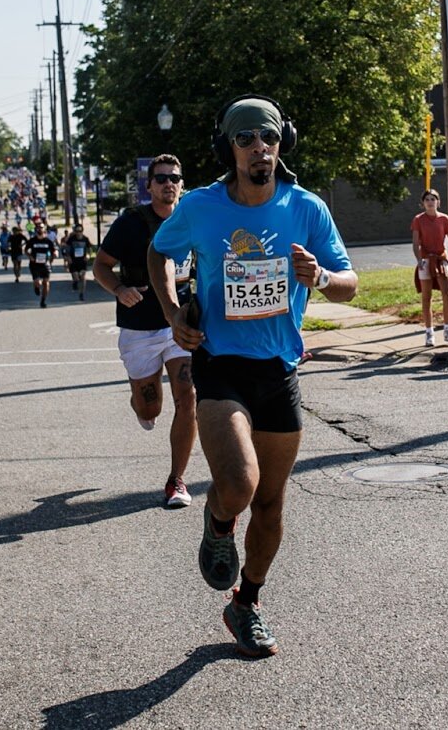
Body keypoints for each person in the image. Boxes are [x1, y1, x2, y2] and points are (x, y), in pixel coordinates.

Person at [149, 95, 356, 660]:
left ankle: (247, 604)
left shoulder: (306, 208)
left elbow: (350, 281)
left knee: (270, 504)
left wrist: (321, 278)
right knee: (238, 485)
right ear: (229, 149)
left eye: (267, 138)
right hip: (219, 364)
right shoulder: (200, 207)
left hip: (279, 368)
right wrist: (172, 314)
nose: (259, 148)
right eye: (246, 140)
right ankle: (218, 524)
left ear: (280, 143)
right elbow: (159, 252)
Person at [94, 155, 198, 511]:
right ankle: (140, 400)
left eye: (175, 177)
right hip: (139, 325)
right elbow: (101, 266)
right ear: (149, 186)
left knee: (189, 396)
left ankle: (176, 481)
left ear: (181, 185)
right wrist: (120, 289)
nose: (169, 183)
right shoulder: (131, 223)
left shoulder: (194, 218)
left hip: (181, 323)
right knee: (150, 407)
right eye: (162, 178)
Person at [410, 188, 448, 347]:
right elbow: (416, 243)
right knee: (426, 296)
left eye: (433, 199)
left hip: (441, 259)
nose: (430, 202)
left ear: (438, 202)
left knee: (447, 294)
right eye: (427, 199)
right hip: (425, 260)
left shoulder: (445, 219)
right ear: (423, 203)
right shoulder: (418, 219)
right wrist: (419, 260)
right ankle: (429, 332)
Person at [26, 222, 57, 308]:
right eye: (38, 227)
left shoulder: (48, 241)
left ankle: (43, 301)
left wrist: (55, 254)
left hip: (45, 264)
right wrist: (30, 256)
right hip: (34, 265)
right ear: (36, 229)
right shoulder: (32, 240)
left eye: (41, 227)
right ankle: (36, 287)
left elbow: (54, 250)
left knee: (46, 283)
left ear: (44, 229)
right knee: (38, 282)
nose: (40, 229)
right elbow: (25, 250)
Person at [65, 226, 91, 298]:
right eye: (77, 231)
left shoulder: (85, 239)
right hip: (73, 261)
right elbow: (67, 249)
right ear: (75, 231)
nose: (78, 233)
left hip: (82, 261)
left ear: (82, 231)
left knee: (83, 277)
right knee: (76, 276)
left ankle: (81, 293)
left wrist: (88, 255)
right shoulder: (71, 239)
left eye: (80, 231)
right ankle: (75, 282)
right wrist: (68, 257)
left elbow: (89, 249)